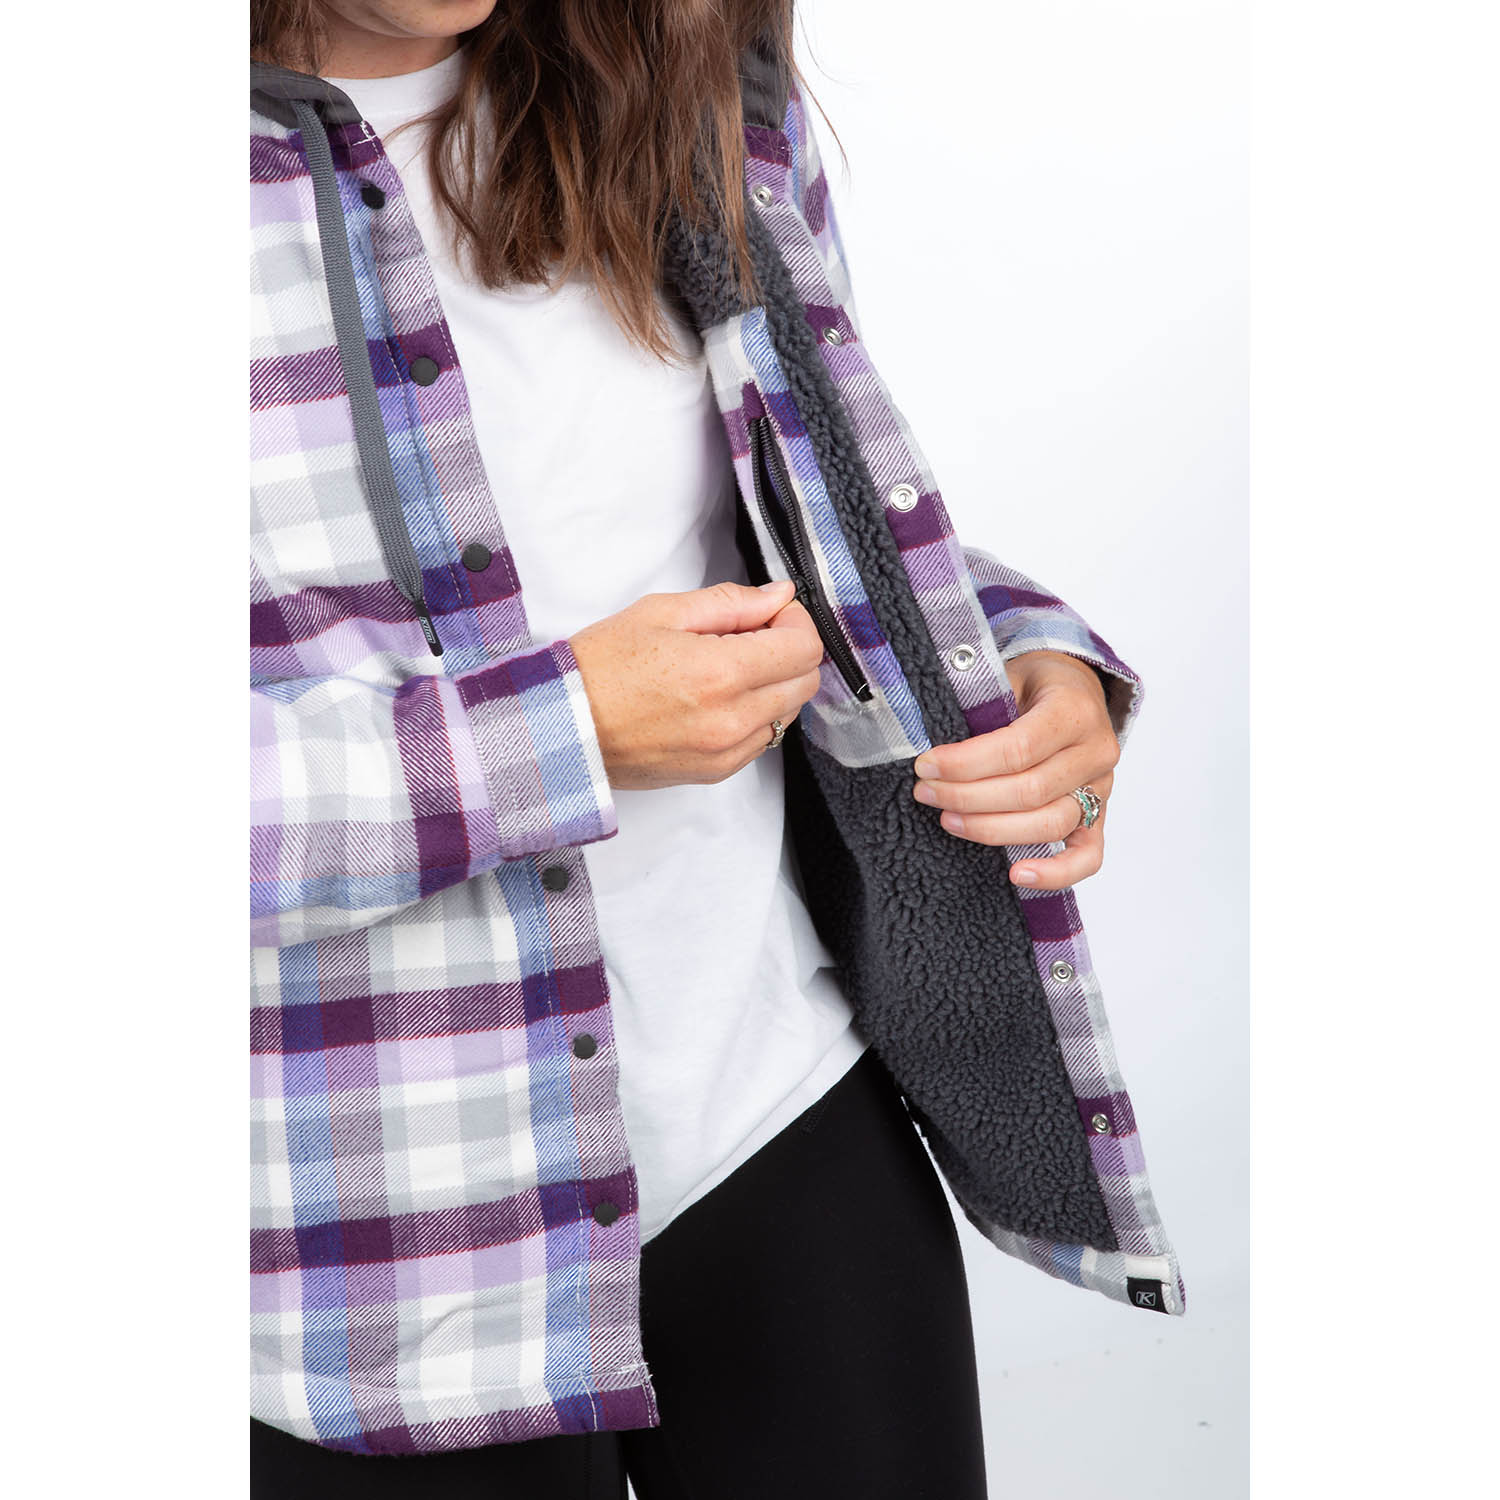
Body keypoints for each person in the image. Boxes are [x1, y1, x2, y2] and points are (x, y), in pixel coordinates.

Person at [249, 2, 1187, 1496]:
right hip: (379, 1247)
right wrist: (565, 731)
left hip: (774, 1113)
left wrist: (1020, 656)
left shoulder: (670, 77)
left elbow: (806, 507)